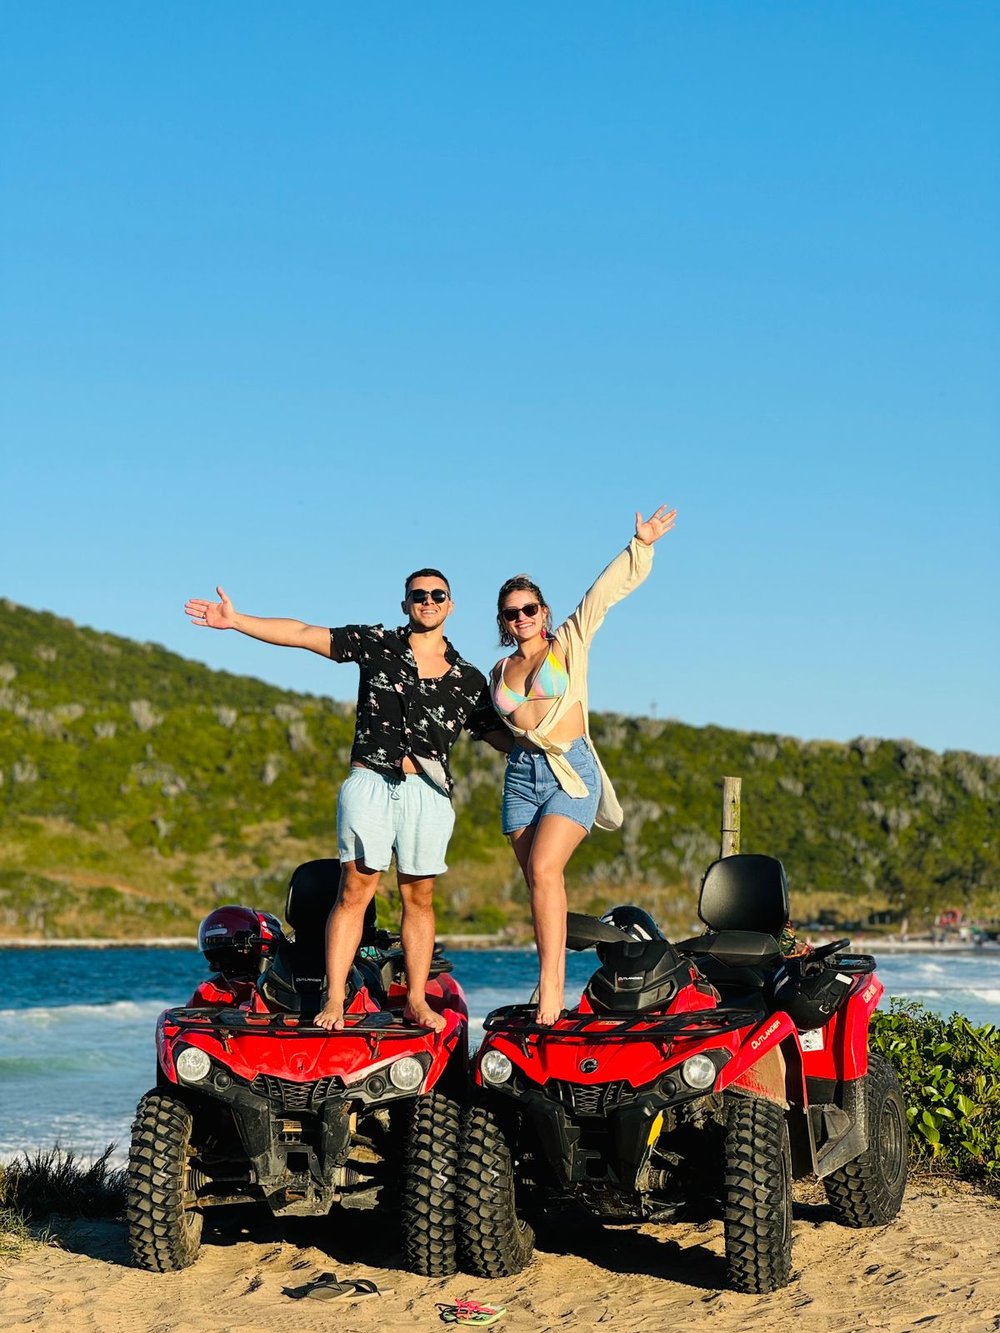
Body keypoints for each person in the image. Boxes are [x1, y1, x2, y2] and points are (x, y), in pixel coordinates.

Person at [184, 570, 508, 1032]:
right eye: (418, 595)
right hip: (370, 781)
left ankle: (417, 1000)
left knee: (420, 898)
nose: (428, 601)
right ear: (405, 605)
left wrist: (560, 744)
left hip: (427, 791)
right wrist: (237, 621)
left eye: (438, 594)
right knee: (355, 890)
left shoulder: (468, 679)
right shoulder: (376, 644)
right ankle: (334, 998)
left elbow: (503, 735)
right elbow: (302, 633)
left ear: (450, 605)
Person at [489, 505, 676, 1024]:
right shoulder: (498, 670)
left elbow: (602, 594)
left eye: (529, 608)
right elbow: (495, 729)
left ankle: (552, 989)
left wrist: (640, 545)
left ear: (544, 611)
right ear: (503, 621)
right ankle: (546, 978)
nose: (522, 617)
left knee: (545, 869)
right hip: (521, 777)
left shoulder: (568, 641)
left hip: (569, 772)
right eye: (511, 612)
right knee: (539, 885)